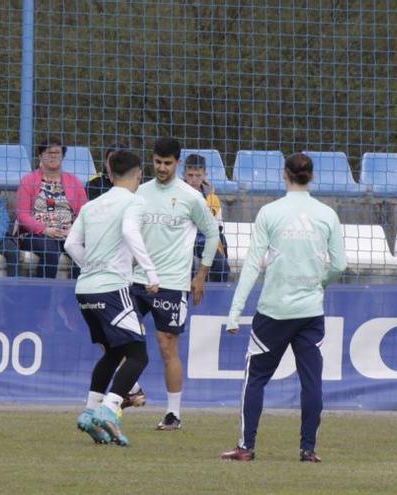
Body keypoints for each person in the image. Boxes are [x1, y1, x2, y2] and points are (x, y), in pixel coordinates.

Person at [220, 152, 346, 462]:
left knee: (256, 378)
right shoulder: (326, 214)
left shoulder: (269, 212)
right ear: (311, 177)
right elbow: (340, 264)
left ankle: (246, 447)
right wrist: (320, 284)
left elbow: (251, 266)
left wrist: (235, 311)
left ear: (284, 175)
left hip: (274, 312)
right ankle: (308, 449)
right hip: (310, 313)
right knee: (311, 381)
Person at [64, 150, 159, 447]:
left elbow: (70, 243)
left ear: (109, 175)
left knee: (113, 353)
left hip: (85, 290)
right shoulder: (134, 201)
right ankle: (109, 408)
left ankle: (90, 412)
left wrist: (92, 267)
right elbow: (130, 230)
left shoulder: (92, 206)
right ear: (139, 174)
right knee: (138, 354)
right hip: (111, 288)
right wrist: (150, 272)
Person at [130, 137, 220, 431]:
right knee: (118, 337)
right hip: (136, 279)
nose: (162, 168)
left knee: (167, 346)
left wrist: (200, 276)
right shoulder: (139, 193)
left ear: (177, 164)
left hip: (172, 283)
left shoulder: (191, 197)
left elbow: (212, 234)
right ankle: (131, 390)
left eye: (168, 163)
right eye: (157, 162)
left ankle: (173, 413)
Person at [17, 137, 88, 278]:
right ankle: (43, 296)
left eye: (57, 152)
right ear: (40, 156)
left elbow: (84, 213)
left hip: (68, 234)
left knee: (82, 252)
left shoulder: (74, 181)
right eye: (49, 152)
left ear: (63, 156)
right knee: (51, 253)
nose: (53, 155)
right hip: (37, 234)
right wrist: (45, 230)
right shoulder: (28, 181)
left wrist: (73, 230)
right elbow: (22, 215)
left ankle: (75, 294)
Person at [183, 154, 231, 282]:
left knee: (222, 266)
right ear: (184, 175)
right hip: (182, 241)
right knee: (189, 266)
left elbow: (218, 229)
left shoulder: (212, 198)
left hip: (204, 241)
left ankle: (216, 297)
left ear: (205, 175)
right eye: (190, 175)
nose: (193, 179)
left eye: (198, 175)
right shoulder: (176, 195)